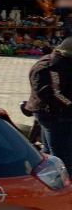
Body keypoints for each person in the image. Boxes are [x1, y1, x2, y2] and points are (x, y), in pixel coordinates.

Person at [26, 38, 72, 169]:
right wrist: (70, 105)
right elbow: (55, 94)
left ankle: (42, 174)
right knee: (62, 157)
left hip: (55, 112)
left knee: (48, 152)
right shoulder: (53, 66)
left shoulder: (63, 62)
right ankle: (62, 179)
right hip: (54, 114)